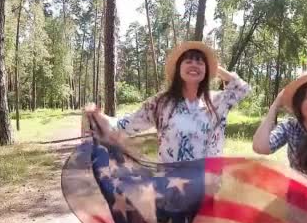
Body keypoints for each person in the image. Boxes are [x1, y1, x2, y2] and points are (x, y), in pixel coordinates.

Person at [84, 41, 251, 162]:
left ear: (207, 71)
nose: (194, 65)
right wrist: (98, 117)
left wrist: (215, 68)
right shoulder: (160, 103)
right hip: (171, 188)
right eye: (188, 61)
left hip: (207, 187)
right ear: (178, 69)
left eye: (200, 62)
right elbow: (125, 125)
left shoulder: (217, 101)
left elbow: (242, 88)